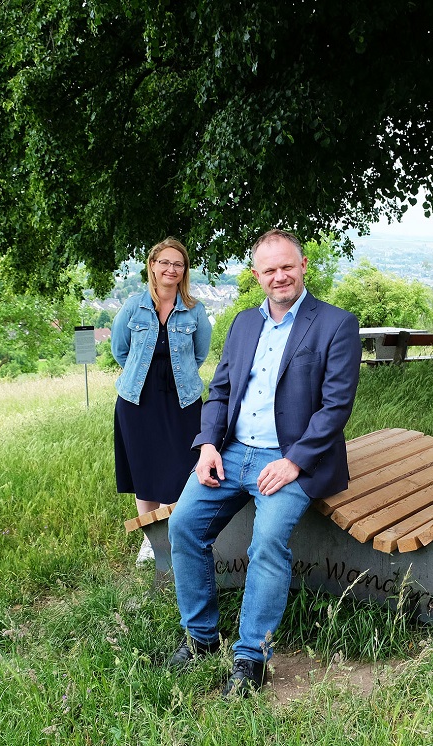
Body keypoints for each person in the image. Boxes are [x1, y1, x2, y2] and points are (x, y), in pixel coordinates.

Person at [166, 228, 360, 697]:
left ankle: (251, 657)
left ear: (303, 265)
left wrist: (294, 461)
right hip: (232, 453)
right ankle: (201, 638)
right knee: (183, 526)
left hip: (290, 458)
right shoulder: (243, 323)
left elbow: (336, 407)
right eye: (269, 270)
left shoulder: (335, 324)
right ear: (256, 276)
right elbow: (220, 391)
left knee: (267, 543)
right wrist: (208, 445)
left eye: (287, 266)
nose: (279, 277)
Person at [111, 238, 212, 568]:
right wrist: (143, 377)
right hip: (137, 402)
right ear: (152, 265)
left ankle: (177, 534)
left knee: (182, 469)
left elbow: (199, 353)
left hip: (182, 402)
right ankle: (150, 540)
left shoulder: (195, 309)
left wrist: (177, 378)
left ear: (184, 271)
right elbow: (120, 351)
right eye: (165, 262)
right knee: (145, 469)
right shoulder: (133, 306)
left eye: (178, 264)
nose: (171, 269)